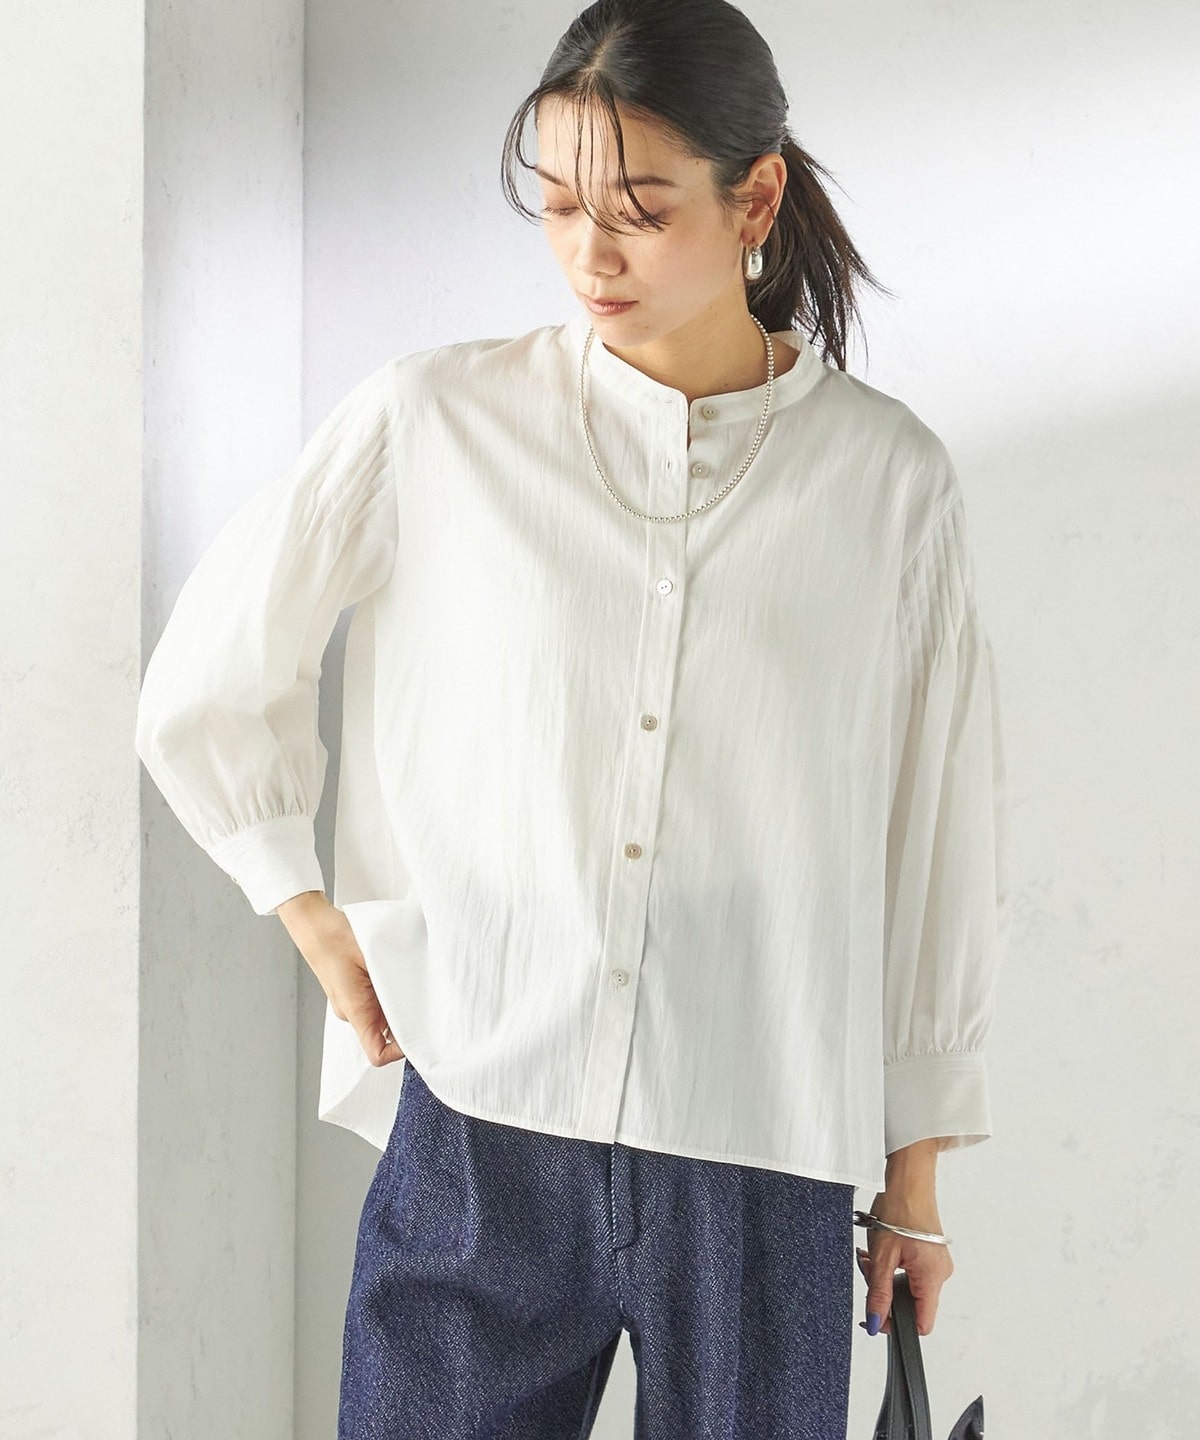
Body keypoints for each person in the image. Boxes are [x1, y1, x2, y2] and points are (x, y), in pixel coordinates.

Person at [135, 0, 1010, 1435]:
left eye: (640, 211)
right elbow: (211, 674)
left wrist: (913, 1178)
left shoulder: (885, 480)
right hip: (480, 1113)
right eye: (555, 204)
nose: (589, 253)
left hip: (758, 1140)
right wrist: (306, 913)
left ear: (756, 199)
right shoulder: (433, 420)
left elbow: (936, 830)